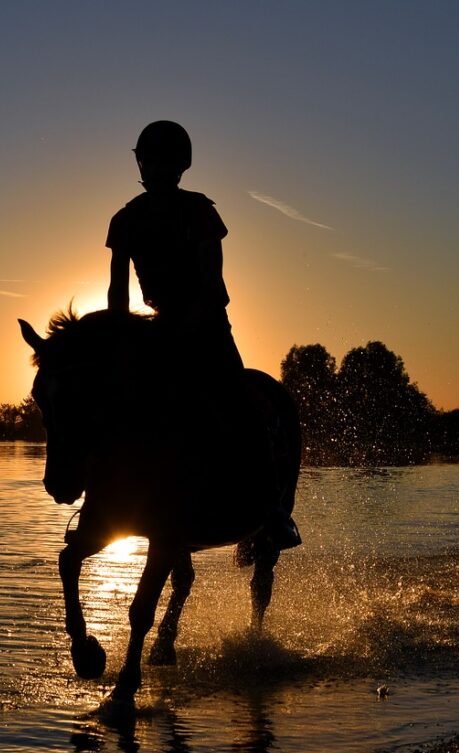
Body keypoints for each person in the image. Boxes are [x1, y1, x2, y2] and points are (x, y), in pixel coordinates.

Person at [105, 120, 300, 550]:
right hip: (156, 329)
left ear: (180, 166)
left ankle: (272, 511)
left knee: (237, 401)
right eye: (148, 160)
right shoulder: (125, 220)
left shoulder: (200, 212)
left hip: (207, 328)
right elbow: (117, 292)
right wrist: (118, 339)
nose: (154, 168)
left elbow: (213, 288)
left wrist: (181, 333)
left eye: (163, 161)